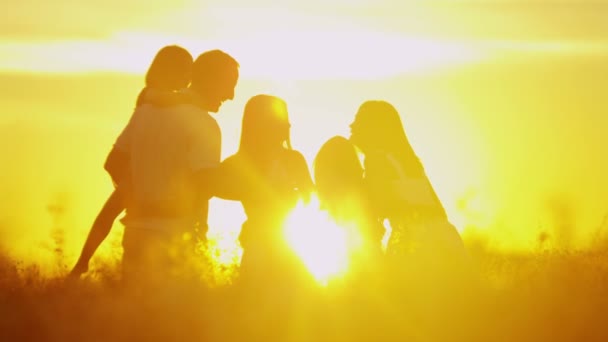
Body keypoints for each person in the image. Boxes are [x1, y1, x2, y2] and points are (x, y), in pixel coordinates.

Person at [109, 49, 239, 285]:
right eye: (228, 85)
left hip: (136, 233)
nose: (231, 95)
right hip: (175, 239)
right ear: (210, 80)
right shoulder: (204, 124)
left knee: (133, 316)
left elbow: (113, 163)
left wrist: (137, 200)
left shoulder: (146, 111)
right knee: (173, 318)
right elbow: (205, 184)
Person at [69, 45, 193, 277]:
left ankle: (82, 263)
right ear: (171, 70)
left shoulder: (156, 96)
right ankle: (82, 262)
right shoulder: (150, 95)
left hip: (136, 165)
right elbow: (162, 100)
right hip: (136, 168)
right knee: (109, 212)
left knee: (108, 212)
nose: (188, 80)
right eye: (186, 72)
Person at [213, 95, 314, 340]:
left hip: (287, 243)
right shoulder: (239, 162)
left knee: (289, 313)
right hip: (258, 242)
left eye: (288, 121)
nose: (288, 126)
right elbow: (212, 185)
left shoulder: (294, 159)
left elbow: (310, 196)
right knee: (256, 312)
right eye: (282, 121)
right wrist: (255, 193)